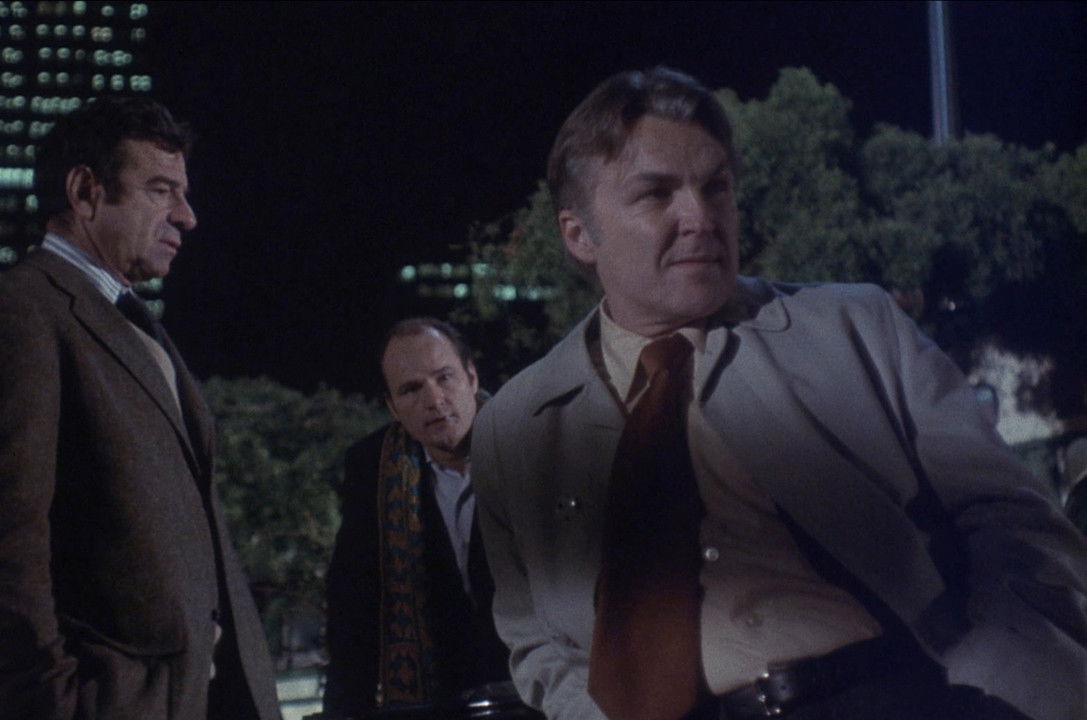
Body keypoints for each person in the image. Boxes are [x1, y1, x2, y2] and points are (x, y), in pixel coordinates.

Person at [472, 67, 1087, 720]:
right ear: (578, 234)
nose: (700, 218)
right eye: (656, 194)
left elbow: (1013, 524)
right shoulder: (516, 429)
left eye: (716, 187)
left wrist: (993, 680)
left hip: (906, 694)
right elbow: (538, 644)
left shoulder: (858, 329)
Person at [0, 96, 281, 720]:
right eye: (160, 191)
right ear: (86, 192)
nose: (187, 216)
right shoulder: (15, 317)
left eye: (183, 193)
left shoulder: (129, 320)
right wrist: (54, 704)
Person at [322, 318, 511, 717]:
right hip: (438, 701)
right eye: (411, 389)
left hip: (543, 690)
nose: (434, 399)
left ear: (472, 378)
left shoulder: (531, 442)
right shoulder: (372, 467)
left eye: (445, 377)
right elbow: (352, 608)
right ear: (392, 406)